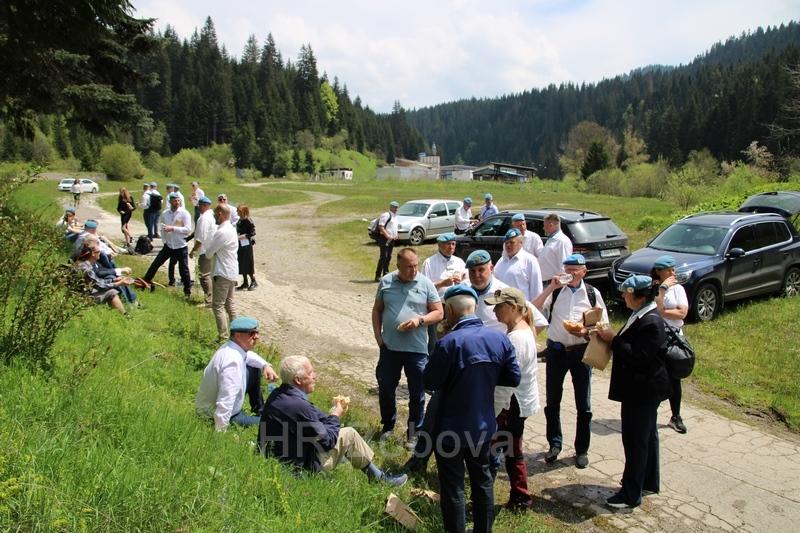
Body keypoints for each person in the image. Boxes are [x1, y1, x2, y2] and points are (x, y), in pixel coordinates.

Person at [424, 284, 521, 533]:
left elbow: (430, 382)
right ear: (475, 307)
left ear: (449, 310)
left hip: (450, 430)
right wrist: (486, 378)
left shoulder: (448, 343)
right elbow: (513, 377)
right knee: (482, 481)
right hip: (483, 426)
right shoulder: (499, 338)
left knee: (453, 485)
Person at [259, 355, 407, 486]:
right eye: (310, 373)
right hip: (299, 471)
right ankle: (379, 479)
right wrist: (335, 415)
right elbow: (327, 441)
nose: (315, 376)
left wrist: (331, 417)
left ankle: (355, 461)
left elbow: (316, 417)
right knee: (349, 434)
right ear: (298, 380)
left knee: (335, 431)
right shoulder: (299, 406)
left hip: (276, 461)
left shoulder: (279, 394)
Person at [596, 275, 670, 510]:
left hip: (642, 392)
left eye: (626, 293)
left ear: (639, 296)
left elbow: (640, 357)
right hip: (640, 390)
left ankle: (630, 494)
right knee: (647, 437)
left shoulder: (651, 322)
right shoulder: (640, 314)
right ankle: (647, 482)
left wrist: (614, 340)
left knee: (636, 440)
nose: (622, 296)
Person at [532, 253, 607, 469]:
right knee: (553, 400)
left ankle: (582, 449)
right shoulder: (557, 292)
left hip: (580, 351)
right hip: (556, 350)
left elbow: (604, 324)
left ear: (584, 271)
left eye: (575, 270)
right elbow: (534, 309)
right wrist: (551, 287)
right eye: (568, 269)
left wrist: (586, 331)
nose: (571, 273)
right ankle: (554, 444)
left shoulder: (591, 293)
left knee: (583, 404)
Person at [372, 247, 443, 446]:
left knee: (417, 393)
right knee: (386, 388)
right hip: (390, 348)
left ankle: (414, 433)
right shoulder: (386, 282)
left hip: (416, 350)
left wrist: (420, 320)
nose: (413, 270)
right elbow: (377, 310)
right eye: (409, 267)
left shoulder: (426, 284)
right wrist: (378, 336)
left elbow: (439, 313)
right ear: (398, 266)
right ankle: (388, 426)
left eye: (415, 266)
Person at [486, 287, 541, 510]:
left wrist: (495, 410)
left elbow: (507, 382)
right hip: (517, 402)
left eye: (499, 307)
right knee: (511, 450)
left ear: (512, 307)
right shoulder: (520, 331)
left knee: (493, 450)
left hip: (511, 404)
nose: (495, 312)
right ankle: (520, 496)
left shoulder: (517, 339)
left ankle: (488, 497)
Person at [195, 316, 279, 431]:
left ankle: (260, 410)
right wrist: (220, 432)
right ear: (238, 336)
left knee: (254, 367)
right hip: (218, 414)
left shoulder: (231, 347)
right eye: (252, 333)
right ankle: (261, 417)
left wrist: (265, 365)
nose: (256, 337)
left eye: (257, 332)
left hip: (214, 405)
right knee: (272, 423)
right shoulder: (232, 363)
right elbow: (226, 401)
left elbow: (249, 356)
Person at [651, 255, 689, 434]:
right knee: (655, 376)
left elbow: (682, 313)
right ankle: (649, 414)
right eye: (669, 270)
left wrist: (662, 311)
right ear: (659, 271)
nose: (673, 273)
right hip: (656, 337)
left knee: (674, 377)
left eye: (674, 269)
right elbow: (652, 307)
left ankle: (676, 416)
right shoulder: (652, 287)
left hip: (674, 337)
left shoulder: (678, 289)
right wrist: (662, 290)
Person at [141, 192, 193, 298]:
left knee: (184, 269)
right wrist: (164, 241)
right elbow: (162, 226)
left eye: (178, 200)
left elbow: (188, 229)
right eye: (175, 200)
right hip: (169, 245)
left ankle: (187, 292)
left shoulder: (184, 213)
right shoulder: (165, 213)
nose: (177, 202)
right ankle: (144, 282)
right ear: (170, 201)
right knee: (156, 263)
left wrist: (173, 228)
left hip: (180, 245)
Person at [73, 238, 135, 315]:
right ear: (93, 254)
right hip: (82, 297)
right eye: (98, 251)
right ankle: (125, 316)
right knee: (111, 292)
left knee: (111, 288)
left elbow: (97, 281)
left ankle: (122, 313)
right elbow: (100, 286)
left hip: (82, 293)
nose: (100, 253)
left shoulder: (84, 264)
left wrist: (114, 280)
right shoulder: (86, 269)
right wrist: (119, 283)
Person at [204, 203, 239, 339]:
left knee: (218, 305)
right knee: (230, 304)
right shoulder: (231, 229)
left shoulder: (222, 232)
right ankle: (237, 334)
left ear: (220, 214)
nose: (214, 217)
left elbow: (209, 253)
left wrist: (208, 249)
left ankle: (223, 336)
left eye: (215, 215)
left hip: (223, 271)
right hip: (232, 271)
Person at [493, 228, 543, 302]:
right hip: (502, 305)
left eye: (512, 242)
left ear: (521, 242)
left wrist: (534, 307)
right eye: (506, 243)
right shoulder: (501, 261)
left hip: (521, 307)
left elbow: (536, 290)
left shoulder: (530, 261)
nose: (508, 245)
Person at [421, 233, 466, 297]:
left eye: (453, 244)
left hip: (457, 299)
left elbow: (467, 278)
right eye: (448, 244)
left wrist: (461, 279)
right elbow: (424, 288)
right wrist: (441, 284)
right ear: (439, 245)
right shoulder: (429, 263)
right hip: (438, 300)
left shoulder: (459, 261)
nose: (451, 247)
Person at [188, 196, 215, 305]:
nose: (198, 207)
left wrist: (193, 250)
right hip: (211, 248)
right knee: (209, 274)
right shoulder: (211, 216)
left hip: (205, 250)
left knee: (204, 275)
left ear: (204, 205)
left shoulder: (204, 218)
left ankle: (209, 300)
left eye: (199, 205)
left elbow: (201, 238)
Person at [539, 213, 573, 281]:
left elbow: (564, 266)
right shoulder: (552, 239)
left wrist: (560, 284)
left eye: (544, 226)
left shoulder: (561, 241)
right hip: (547, 282)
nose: (543, 228)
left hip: (554, 283)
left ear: (551, 225)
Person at [373, 200, 399, 282]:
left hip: (392, 240)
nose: (396, 209)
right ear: (391, 207)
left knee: (388, 257)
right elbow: (381, 226)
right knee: (383, 257)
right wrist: (387, 235)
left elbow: (394, 227)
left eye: (397, 207)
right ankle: (377, 275)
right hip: (385, 239)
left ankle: (386, 274)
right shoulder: (386, 215)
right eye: (394, 207)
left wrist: (396, 234)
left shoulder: (395, 217)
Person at [235, 204, 257, 291]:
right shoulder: (240, 220)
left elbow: (253, 232)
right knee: (242, 262)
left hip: (246, 245)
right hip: (240, 244)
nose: (237, 212)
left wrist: (244, 236)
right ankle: (245, 282)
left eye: (238, 211)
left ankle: (253, 281)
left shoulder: (248, 220)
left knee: (248, 263)